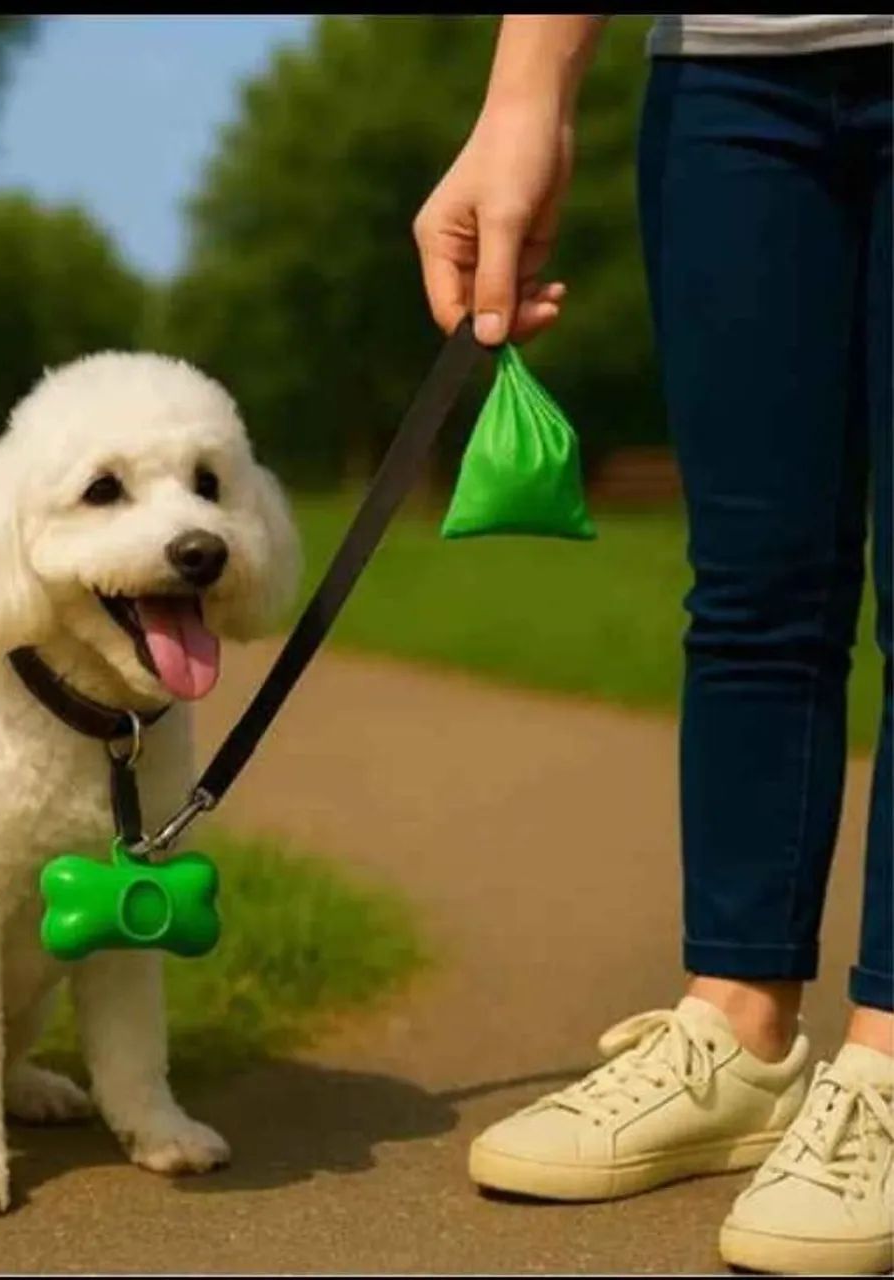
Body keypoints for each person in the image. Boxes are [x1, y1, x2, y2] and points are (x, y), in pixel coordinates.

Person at [414, 14, 893, 1276]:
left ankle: (892, 1057)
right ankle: (739, 1030)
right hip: (731, 66)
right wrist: (529, 91)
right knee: (749, 585)